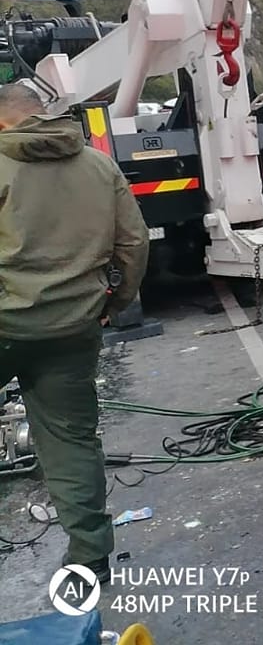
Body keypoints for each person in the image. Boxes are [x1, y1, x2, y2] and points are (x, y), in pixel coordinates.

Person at [0, 83, 149, 584]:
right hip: (73, 327)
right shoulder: (97, 165)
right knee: (70, 441)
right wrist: (116, 302)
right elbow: (133, 241)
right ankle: (89, 556)